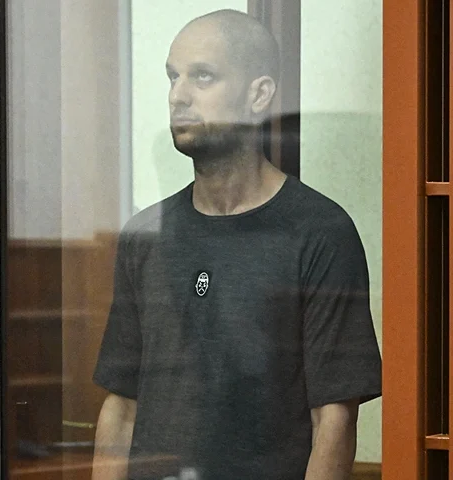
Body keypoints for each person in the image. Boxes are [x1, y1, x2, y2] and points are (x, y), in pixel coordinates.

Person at [91, 10, 382, 480]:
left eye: (202, 76)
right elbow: (120, 407)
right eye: (172, 76)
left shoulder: (319, 231)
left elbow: (334, 419)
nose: (178, 95)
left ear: (258, 94)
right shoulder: (146, 234)